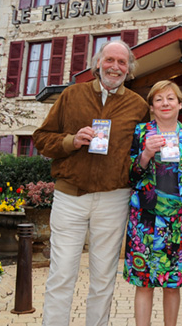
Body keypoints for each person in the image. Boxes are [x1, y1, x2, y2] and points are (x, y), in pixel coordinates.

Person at [33, 40, 149, 326]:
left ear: (129, 69)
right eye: (110, 60)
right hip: (70, 198)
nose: (115, 67)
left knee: (103, 277)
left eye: (122, 62)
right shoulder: (72, 95)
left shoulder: (138, 106)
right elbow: (41, 138)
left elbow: (142, 153)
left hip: (113, 199)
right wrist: (71, 141)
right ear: (98, 63)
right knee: (62, 274)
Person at [123, 80, 182, 326]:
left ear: (179, 103)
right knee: (144, 284)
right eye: (158, 99)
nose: (164, 103)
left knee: (172, 284)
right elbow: (130, 175)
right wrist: (145, 153)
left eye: (170, 98)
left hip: (179, 220)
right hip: (144, 220)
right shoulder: (140, 132)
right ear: (152, 107)